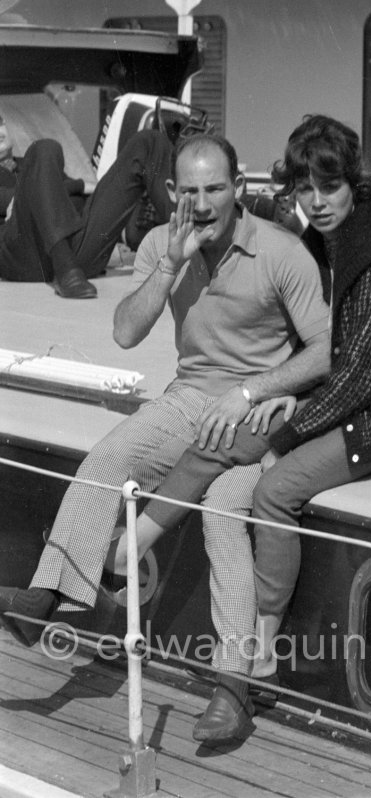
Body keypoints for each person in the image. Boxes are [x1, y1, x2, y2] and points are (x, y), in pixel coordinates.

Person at [106, 113, 371, 740]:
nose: (316, 203)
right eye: (303, 190)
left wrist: (285, 424)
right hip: (356, 391)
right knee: (229, 442)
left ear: (355, 184)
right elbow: (334, 356)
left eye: (329, 187)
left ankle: (251, 646)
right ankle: (136, 550)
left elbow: (361, 373)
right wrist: (281, 398)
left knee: (271, 482)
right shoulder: (330, 237)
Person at [0, 130, 330, 734]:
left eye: (216, 189)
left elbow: (326, 351)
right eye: (191, 191)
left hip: (257, 416)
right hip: (186, 401)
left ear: (240, 188)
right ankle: (50, 598)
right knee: (105, 460)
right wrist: (173, 262)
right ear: (174, 192)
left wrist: (257, 391)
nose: (203, 205)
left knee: (226, 511)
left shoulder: (283, 254)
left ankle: (233, 687)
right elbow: (126, 332)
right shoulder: (160, 243)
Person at [0, 115, 175, 297]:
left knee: (149, 142)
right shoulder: (38, 158)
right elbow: (16, 196)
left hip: (76, 253)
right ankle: (65, 267)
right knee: (44, 147)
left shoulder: (35, 163)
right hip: (23, 256)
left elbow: (57, 200)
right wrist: (80, 185)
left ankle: (191, 247)